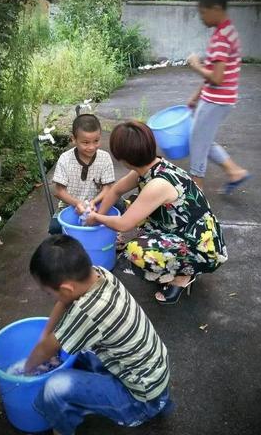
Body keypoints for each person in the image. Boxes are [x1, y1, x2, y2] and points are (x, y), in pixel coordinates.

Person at [24, 234, 171, 435]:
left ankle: (62, 428)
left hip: (141, 401)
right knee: (76, 345)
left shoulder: (88, 312)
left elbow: (45, 349)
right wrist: (45, 335)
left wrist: (26, 370)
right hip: (154, 376)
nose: (50, 298)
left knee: (54, 388)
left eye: (49, 293)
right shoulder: (99, 274)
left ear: (67, 288)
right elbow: (64, 302)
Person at [86, 121, 227, 305]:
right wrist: (99, 218)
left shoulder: (157, 184)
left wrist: (96, 217)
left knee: (135, 251)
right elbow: (115, 191)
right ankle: (175, 257)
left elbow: (123, 224)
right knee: (134, 203)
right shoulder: (150, 167)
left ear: (124, 159)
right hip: (184, 229)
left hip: (202, 246)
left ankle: (184, 275)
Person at [186, 0, 251, 193]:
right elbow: (215, 74)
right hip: (217, 99)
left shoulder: (222, 37)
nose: (201, 17)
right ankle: (235, 172)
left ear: (216, 9)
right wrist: (196, 96)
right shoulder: (226, 31)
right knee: (203, 139)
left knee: (197, 143)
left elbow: (217, 78)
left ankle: (197, 190)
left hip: (216, 100)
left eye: (203, 12)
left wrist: (196, 65)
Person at [49, 112, 116, 234]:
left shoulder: (104, 157)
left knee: (118, 204)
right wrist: (77, 203)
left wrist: (94, 202)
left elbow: (108, 188)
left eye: (96, 141)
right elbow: (59, 191)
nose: (91, 147)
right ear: (73, 139)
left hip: (98, 204)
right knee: (55, 228)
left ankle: (114, 236)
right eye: (85, 142)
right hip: (69, 205)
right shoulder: (65, 159)